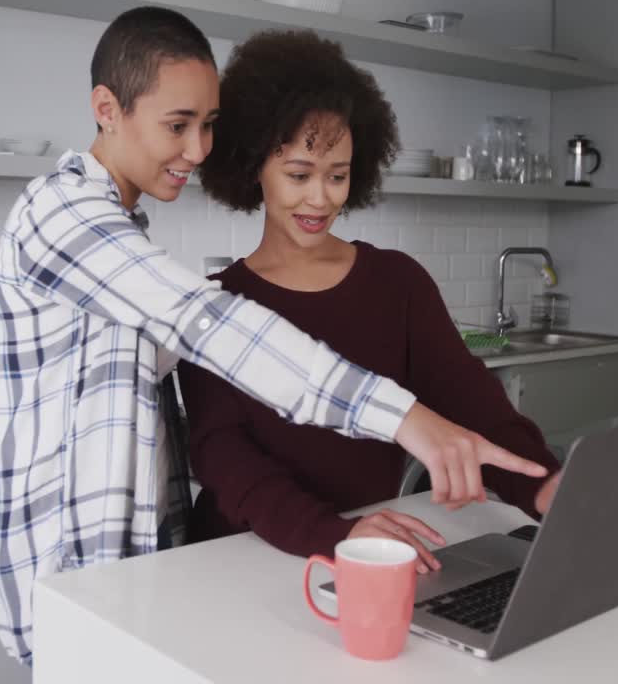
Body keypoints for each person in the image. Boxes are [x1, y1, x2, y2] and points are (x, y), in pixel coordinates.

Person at [0, 8, 548, 665]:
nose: (197, 150)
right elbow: (215, 332)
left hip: (137, 577)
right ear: (107, 108)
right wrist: (405, 419)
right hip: (72, 583)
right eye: (178, 126)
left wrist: (539, 482)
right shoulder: (61, 215)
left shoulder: (122, 228)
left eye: (209, 126)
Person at [180, 29, 562, 571]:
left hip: (369, 548)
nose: (320, 197)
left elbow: (475, 406)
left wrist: (543, 486)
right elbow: (225, 460)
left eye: (337, 176)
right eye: (298, 175)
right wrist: (333, 534)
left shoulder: (397, 282)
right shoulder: (218, 305)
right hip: (244, 557)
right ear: (253, 167)